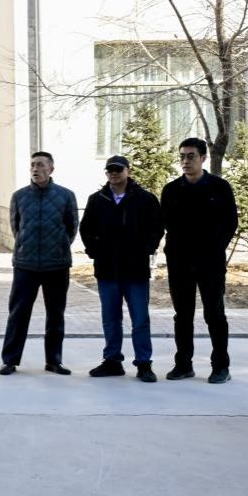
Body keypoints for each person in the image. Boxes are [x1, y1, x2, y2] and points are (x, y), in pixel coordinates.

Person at [159, 137, 239, 384]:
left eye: (191, 156)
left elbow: (230, 223)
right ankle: (183, 364)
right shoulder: (171, 190)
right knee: (182, 315)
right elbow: (166, 223)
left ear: (203, 158)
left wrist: (214, 248)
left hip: (210, 262)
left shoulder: (220, 187)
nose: (185, 161)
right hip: (179, 263)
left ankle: (221, 367)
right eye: (182, 156)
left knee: (214, 314)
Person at [79, 155, 164, 382]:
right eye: (110, 170)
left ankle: (144, 363)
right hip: (107, 270)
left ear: (128, 171)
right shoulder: (97, 200)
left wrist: (145, 248)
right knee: (111, 318)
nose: (114, 173)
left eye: (118, 169)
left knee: (140, 319)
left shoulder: (144, 199)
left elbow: (157, 227)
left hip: (135, 270)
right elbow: (86, 229)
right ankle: (112, 361)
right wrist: (95, 251)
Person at [0, 151, 78, 377]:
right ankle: (10, 360)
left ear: (51, 169)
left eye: (41, 165)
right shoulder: (19, 196)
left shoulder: (66, 196)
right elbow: (16, 227)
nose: (36, 169)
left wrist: (59, 247)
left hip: (57, 265)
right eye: (33, 165)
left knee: (56, 314)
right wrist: (26, 247)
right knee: (18, 313)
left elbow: (72, 227)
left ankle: (54, 361)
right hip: (25, 265)